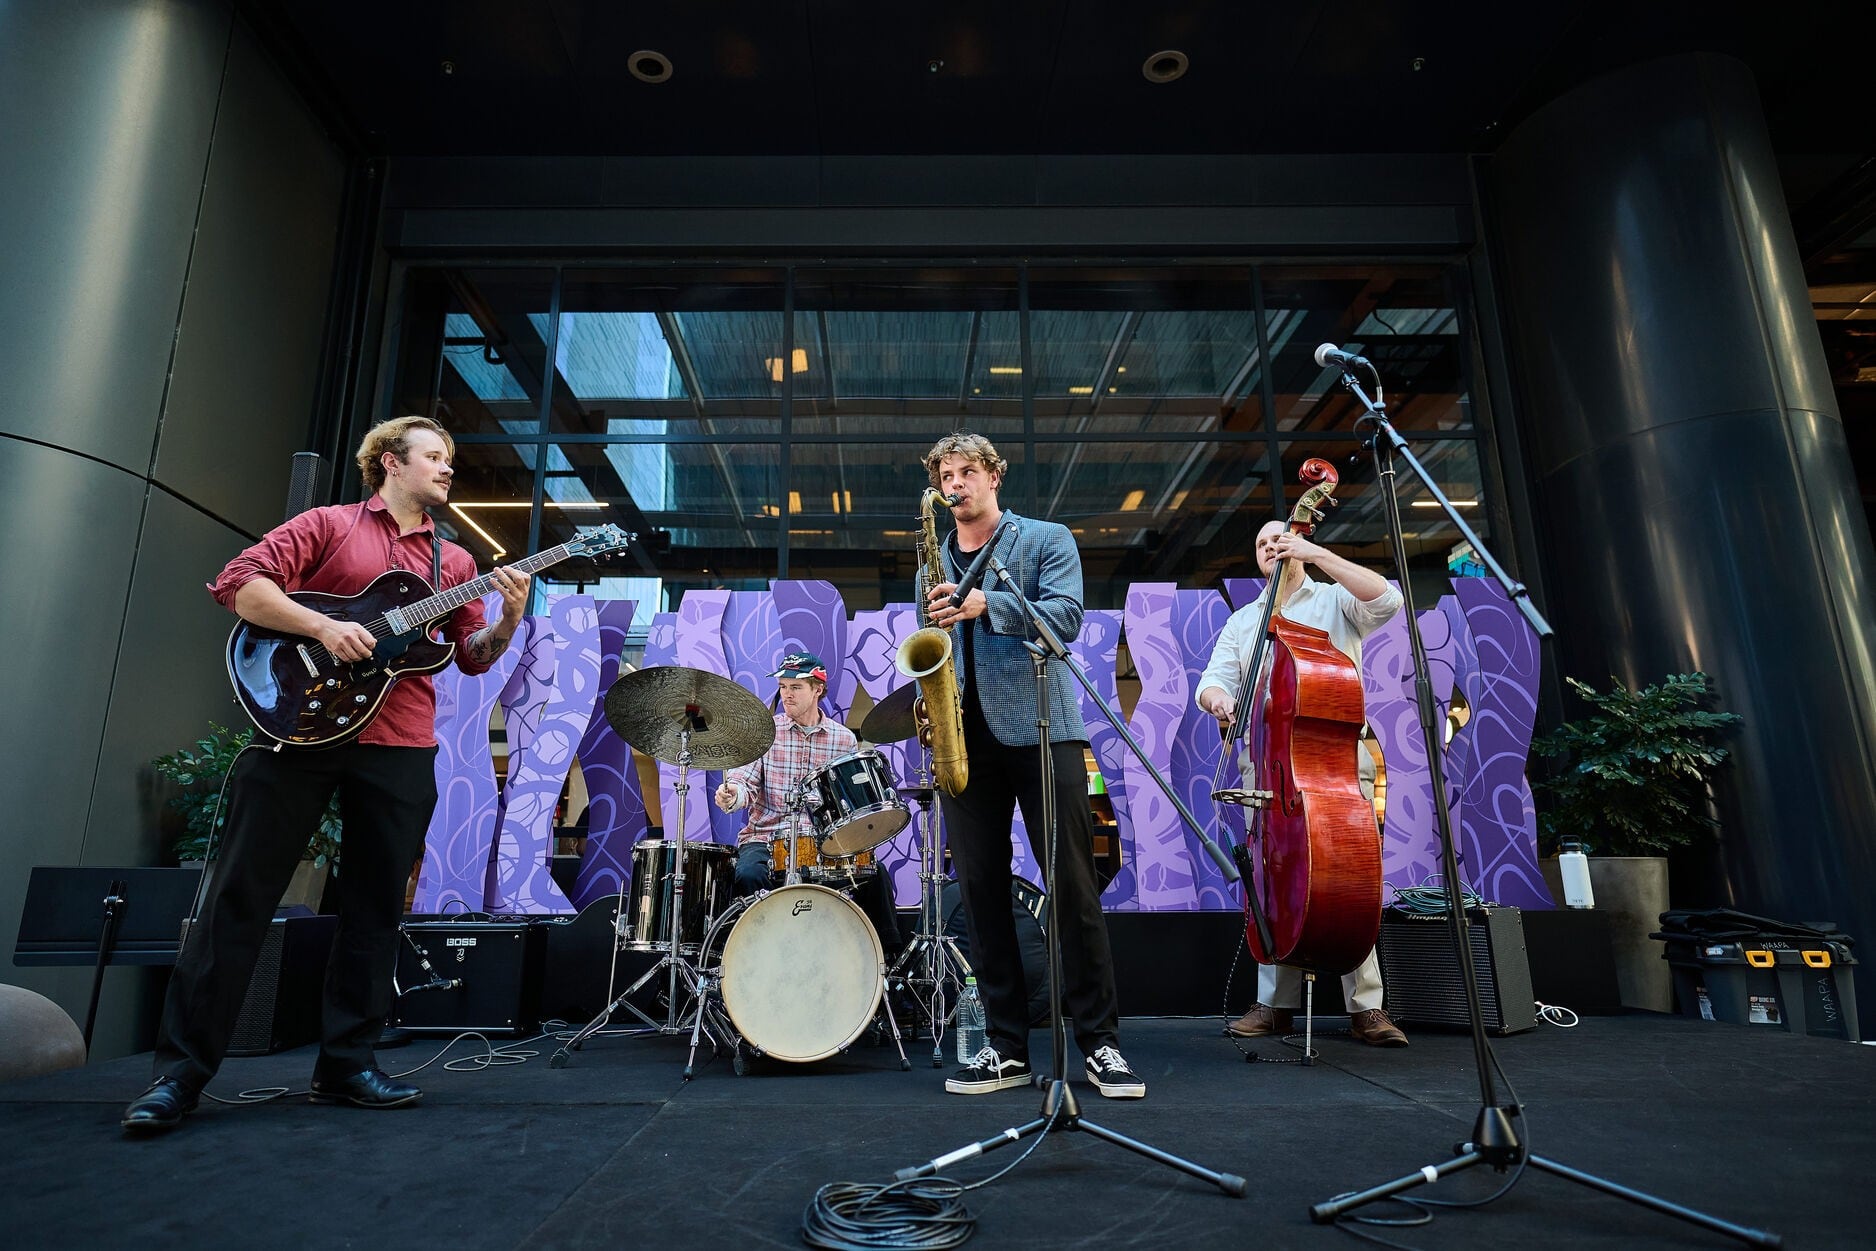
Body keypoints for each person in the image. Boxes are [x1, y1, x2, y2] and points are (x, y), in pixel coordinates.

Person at [122, 416, 530, 1133]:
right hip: (298, 732)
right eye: (435, 456)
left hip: (399, 743)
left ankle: (346, 1065)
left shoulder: (456, 563)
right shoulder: (330, 524)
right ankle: (179, 1075)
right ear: (390, 464)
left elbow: (470, 655)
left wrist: (507, 622)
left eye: (451, 460)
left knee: (376, 908)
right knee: (238, 899)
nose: (448, 469)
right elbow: (238, 585)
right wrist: (321, 628)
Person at [920, 432, 1143, 1099]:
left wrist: (990, 604)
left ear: (993, 475)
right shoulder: (933, 553)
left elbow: (1067, 619)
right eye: (944, 474)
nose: (953, 483)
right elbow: (934, 641)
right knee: (983, 896)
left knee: (1073, 886)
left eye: (965, 471)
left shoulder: (1044, 539)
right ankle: (1006, 1046)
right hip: (965, 736)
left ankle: (1100, 1043)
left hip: (1045, 732)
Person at [1195, 518, 1407, 1047]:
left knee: (1349, 882)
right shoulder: (1245, 620)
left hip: (1333, 766)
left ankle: (1367, 1007)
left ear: (1297, 544)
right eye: (1262, 543)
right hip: (1267, 772)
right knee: (1272, 883)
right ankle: (1274, 1005)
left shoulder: (1335, 601)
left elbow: (1388, 602)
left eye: (1278, 539)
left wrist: (1316, 553)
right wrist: (1219, 698)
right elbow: (1213, 679)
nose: (1270, 547)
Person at [713, 653, 901, 948]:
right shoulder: (766, 732)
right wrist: (731, 795)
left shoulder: (843, 740)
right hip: (765, 838)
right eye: (783, 686)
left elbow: (850, 804)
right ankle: (764, 951)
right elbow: (743, 784)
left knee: (875, 875)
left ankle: (887, 965)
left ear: (818, 690)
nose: (786, 694)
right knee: (748, 874)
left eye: (795, 687)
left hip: (824, 843)